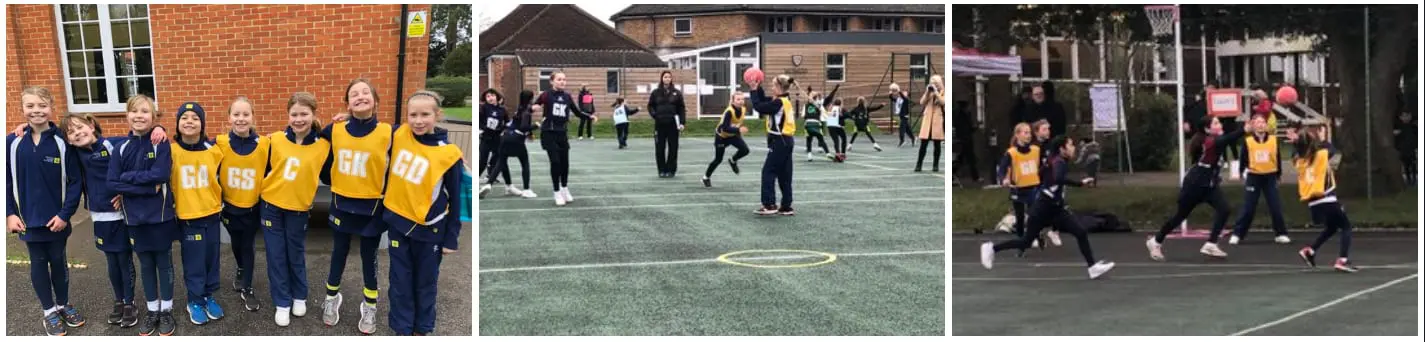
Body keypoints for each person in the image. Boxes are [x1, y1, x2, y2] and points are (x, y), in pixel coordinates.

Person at [382, 90, 464, 335]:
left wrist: (452, 237)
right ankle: (402, 327)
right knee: (399, 281)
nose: (418, 120)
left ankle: (423, 327)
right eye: (413, 115)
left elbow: (457, 198)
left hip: (430, 229)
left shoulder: (449, 154)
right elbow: (371, 129)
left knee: (425, 283)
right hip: (398, 222)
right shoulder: (399, 134)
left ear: (437, 115)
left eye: (425, 114)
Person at [8, 87, 85, 336]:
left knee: (59, 263)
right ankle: (49, 311)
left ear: (51, 107)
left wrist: (65, 215)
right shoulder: (13, 142)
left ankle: (63, 305)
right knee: (38, 264)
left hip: (56, 221)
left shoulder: (64, 142)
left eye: (42, 105)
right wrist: (10, 213)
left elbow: (75, 182)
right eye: (30, 106)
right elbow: (6, 181)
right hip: (28, 220)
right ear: (22, 109)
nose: (36, 110)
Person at [981, 136, 1114, 279]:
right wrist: (1079, 183)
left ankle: (1092, 268)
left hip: (1055, 208)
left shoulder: (1054, 160)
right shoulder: (1059, 162)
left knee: (1080, 232)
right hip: (1043, 208)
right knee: (1026, 241)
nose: (1073, 147)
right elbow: (1057, 178)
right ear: (1062, 149)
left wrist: (1046, 185)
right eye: (1070, 145)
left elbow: (1042, 174)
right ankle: (992, 248)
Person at [319, 79, 393, 333]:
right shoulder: (335, 129)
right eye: (354, 94)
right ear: (347, 103)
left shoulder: (389, 131)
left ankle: (369, 304)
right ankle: (331, 298)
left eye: (365, 93)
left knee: (368, 257)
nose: (360, 97)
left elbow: (419, 143)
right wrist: (339, 119)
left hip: (372, 208)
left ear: (375, 100)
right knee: (338, 253)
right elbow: (308, 136)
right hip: (341, 204)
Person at [108, 94, 180, 335]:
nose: (139, 116)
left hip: (160, 217)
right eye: (134, 111)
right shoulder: (120, 148)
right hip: (134, 219)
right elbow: (112, 183)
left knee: (164, 263)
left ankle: (167, 310)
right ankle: (152, 310)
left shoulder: (161, 143)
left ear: (153, 117)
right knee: (146, 264)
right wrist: (145, 187)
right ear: (127, 115)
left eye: (145, 112)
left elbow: (160, 175)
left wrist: (127, 180)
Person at [60, 112, 141, 328]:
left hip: (122, 216)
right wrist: (23, 127)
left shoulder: (114, 144)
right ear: (68, 140)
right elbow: (47, 137)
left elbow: (139, 151)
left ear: (91, 124)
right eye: (71, 132)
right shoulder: (75, 153)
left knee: (124, 260)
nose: (77, 133)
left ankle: (130, 302)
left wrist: (125, 192)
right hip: (99, 216)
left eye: (80, 127)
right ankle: (119, 300)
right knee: (111, 261)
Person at [262, 92, 330, 327]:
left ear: (313, 115)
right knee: (276, 256)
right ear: (287, 115)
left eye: (304, 114)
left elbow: (331, 175)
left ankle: (299, 295)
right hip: (271, 206)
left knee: (296, 253)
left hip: (299, 209)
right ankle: (282, 302)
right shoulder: (275, 140)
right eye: (294, 114)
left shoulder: (323, 145)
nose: (299, 119)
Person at [1146, 115, 1245, 261]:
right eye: (1216, 123)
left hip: (1209, 185)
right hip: (1194, 185)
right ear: (1207, 129)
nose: (1220, 125)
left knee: (1224, 209)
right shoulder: (1210, 141)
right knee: (1180, 216)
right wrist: (1245, 129)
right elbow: (1225, 140)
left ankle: (1211, 244)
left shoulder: (1214, 141)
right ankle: (1155, 241)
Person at [168, 102, 226, 326]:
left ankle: (208, 295)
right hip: (188, 217)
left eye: (195, 117)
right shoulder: (171, 151)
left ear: (202, 124)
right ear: (178, 124)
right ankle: (194, 300)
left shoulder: (215, 151)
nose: (189, 121)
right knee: (194, 262)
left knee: (212, 259)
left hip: (212, 214)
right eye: (184, 117)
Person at [215, 96, 266, 312]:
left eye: (246, 114)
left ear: (253, 117)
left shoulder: (265, 144)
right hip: (229, 208)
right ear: (229, 118)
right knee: (236, 244)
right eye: (236, 114)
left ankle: (247, 286)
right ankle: (241, 268)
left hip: (252, 208)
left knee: (248, 245)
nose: (241, 118)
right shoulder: (220, 143)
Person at [1289, 121, 1356, 272]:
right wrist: (1323, 137)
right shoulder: (1321, 155)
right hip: (1326, 198)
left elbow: (1298, 151)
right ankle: (1342, 260)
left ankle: (1310, 251)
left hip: (1313, 203)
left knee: (1332, 227)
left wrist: (1296, 142)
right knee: (1346, 227)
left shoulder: (1298, 161)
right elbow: (1331, 149)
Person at [1229, 114, 1290, 245]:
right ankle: (1238, 234)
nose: (1261, 124)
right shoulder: (1248, 141)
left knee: (1275, 206)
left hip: (1270, 176)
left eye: (1263, 122)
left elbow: (1277, 158)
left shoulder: (1273, 140)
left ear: (1266, 125)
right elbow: (1243, 159)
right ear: (1253, 125)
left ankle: (1281, 233)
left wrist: (1279, 174)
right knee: (1249, 207)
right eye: (1258, 122)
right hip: (1254, 176)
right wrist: (1242, 172)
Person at [748, 74, 800, 216]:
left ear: (779, 87)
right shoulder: (784, 100)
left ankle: (769, 204)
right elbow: (764, 100)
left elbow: (759, 106)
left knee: (768, 172)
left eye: (773, 85)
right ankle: (786, 206)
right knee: (785, 174)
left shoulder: (778, 103)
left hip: (780, 141)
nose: (771, 88)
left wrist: (753, 90)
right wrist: (757, 88)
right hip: (787, 141)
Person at [537, 71, 589, 205]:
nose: (562, 82)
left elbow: (577, 112)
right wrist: (530, 109)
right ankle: (556, 192)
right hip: (549, 132)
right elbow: (534, 105)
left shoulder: (567, 96)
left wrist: (589, 116)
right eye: (559, 79)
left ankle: (564, 188)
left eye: (564, 79)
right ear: (552, 81)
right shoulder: (546, 95)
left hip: (562, 133)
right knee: (555, 162)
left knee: (565, 163)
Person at [995, 123, 1041, 255]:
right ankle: (1022, 246)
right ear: (1018, 135)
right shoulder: (1012, 153)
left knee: (1035, 215)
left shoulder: (1036, 150)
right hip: (1019, 189)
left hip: (1033, 187)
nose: (1028, 135)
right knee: (1020, 219)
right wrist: (1003, 179)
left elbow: (1043, 165)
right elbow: (1002, 168)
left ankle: (1035, 236)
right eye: (1025, 133)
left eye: (1029, 133)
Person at [485, 90, 539, 198]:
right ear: (530, 99)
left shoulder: (519, 109)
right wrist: (536, 125)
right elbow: (523, 127)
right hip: (516, 139)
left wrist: (530, 133)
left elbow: (519, 121)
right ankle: (527, 189)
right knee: (525, 163)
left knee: (501, 162)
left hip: (505, 137)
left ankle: (489, 184)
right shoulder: (526, 112)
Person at [703, 92, 752, 187]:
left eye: (742, 99)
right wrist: (738, 129)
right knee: (718, 159)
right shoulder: (729, 111)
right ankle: (706, 177)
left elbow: (736, 123)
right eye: (738, 99)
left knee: (745, 150)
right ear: (733, 101)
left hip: (733, 135)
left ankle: (733, 160)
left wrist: (738, 129)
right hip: (722, 137)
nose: (741, 101)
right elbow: (724, 128)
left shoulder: (743, 109)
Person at [648, 71, 687, 178]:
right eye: (665, 77)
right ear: (662, 78)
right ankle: (661, 170)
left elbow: (681, 108)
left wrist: (682, 123)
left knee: (673, 148)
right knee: (660, 148)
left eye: (669, 77)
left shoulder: (677, 93)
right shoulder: (655, 92)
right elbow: (650, 106)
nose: (667, 79)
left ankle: (671, 170)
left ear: (671, 79)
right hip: (659, 124)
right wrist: (654, 115)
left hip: (673, 125)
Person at [478, 88, 511, 187]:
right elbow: (479, 121)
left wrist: (503, 130)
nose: (490, 98)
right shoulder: (483, 108)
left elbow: (507, 122)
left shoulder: (502, 109)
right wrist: (483, 128)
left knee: (497, 157)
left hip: (497, 138)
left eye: (492, 95)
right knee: (482, 160)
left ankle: (491, 175)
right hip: (486, 137)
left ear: (497, 97)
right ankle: (475, 177)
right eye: (488, 96)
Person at [915, 75, 946, 172]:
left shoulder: (944, 92)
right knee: (923, 145)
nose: (934, 85)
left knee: (937, 145)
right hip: (927, 121)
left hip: (937, 121)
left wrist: (936, 93)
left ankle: (935, 165)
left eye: (936, 83)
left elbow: (943, 102)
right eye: (933, 83)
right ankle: (919, 164)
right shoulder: (929, 93)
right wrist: (927, 92)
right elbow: (922, 102)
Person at [951, 100, 981, 183]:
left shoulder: (957, 115)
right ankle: (975, 177)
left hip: (962, 140)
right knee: (970, 159)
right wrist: (975, 127)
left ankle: (952, 174)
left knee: (960, 160)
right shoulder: (964, 116)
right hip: (966, 140)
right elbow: (968, 129)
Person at [1393, 111, 1417, 186]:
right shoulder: (1399, 127)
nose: (1406, 118)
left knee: (1413, 164)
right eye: (1404, 116)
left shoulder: (1413, 126)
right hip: (1403, 149)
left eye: (1407, 116)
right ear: (1400, 117)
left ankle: (1413, 179)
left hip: (1412, 148)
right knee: (1406, 165)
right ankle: (1408, 179)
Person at [890, 84, 916, 148]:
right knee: (907, 130)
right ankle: (913, 138)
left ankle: (902, 140)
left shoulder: (906, 100)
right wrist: (890, 93)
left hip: (904, 116)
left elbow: (903, 96)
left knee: (901, 129)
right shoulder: (899, 100)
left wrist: (899, 91)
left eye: (905, 93)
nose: (903, 94)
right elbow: (892, 99)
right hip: (901, 116)